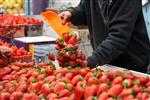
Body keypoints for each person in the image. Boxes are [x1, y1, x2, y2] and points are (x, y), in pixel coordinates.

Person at [58, 0, 150, 73]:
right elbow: (84, 9)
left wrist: (91, 61)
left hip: (131, 65)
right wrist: (72, 14)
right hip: (106, 62)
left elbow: (118, 38)